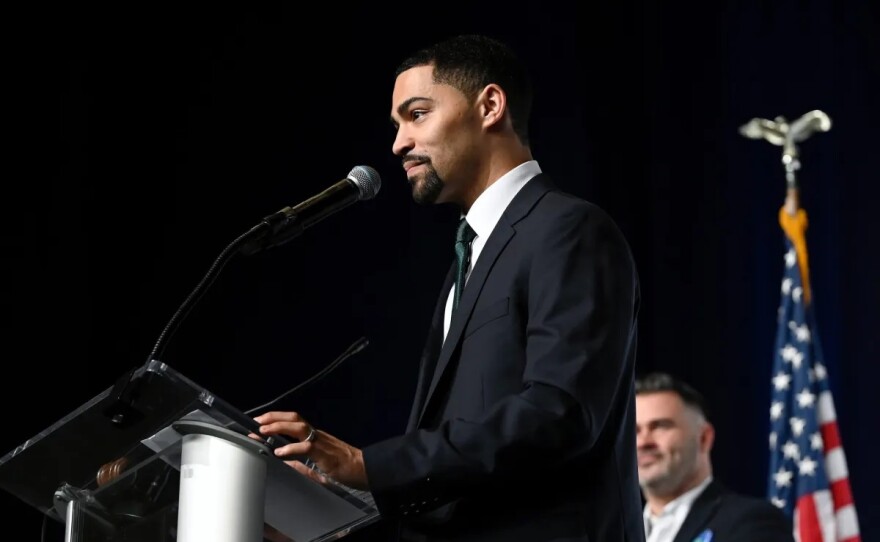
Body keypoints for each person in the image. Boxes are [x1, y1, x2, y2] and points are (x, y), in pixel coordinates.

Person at [255, 33, 644, 541]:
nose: (398, 144)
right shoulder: (471, 254)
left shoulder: (569, 230)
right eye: (396, 125)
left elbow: (559, 414)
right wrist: (334, 514)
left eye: (416, 115)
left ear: (489, 106)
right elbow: (458, 471)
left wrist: (366, 465)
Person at [635, 371, 794, 542]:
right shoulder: (612, 530)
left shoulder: (753, 522)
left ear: (704, 438)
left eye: (660, 426)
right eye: (634, 431)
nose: (643, 442)